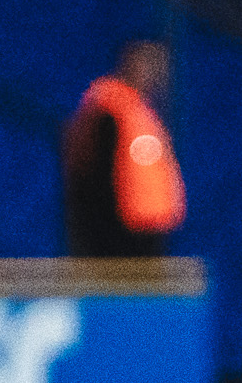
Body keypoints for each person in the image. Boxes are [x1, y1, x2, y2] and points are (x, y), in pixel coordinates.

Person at [61, 40, 185, 259]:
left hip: (145, 226)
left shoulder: (139, 108)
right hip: (118, 232)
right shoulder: (108, 108)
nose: (154, 72)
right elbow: (94, 177)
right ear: (129, 62)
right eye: (146, 62)